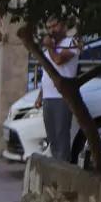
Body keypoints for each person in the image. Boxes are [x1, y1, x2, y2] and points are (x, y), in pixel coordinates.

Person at [36, 19, 81, 162]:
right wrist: (39, 96)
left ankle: (64, 169)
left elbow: (59, 60)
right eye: (49, 27)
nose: (52, 30)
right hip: (48, 97)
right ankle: (56, 168)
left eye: (55, 25)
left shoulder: (73, 42)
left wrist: (50, 47)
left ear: (64, 26)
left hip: (62, 97)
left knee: (62, 136)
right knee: (52, 138)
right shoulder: (49, 48)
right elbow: (47, 73)